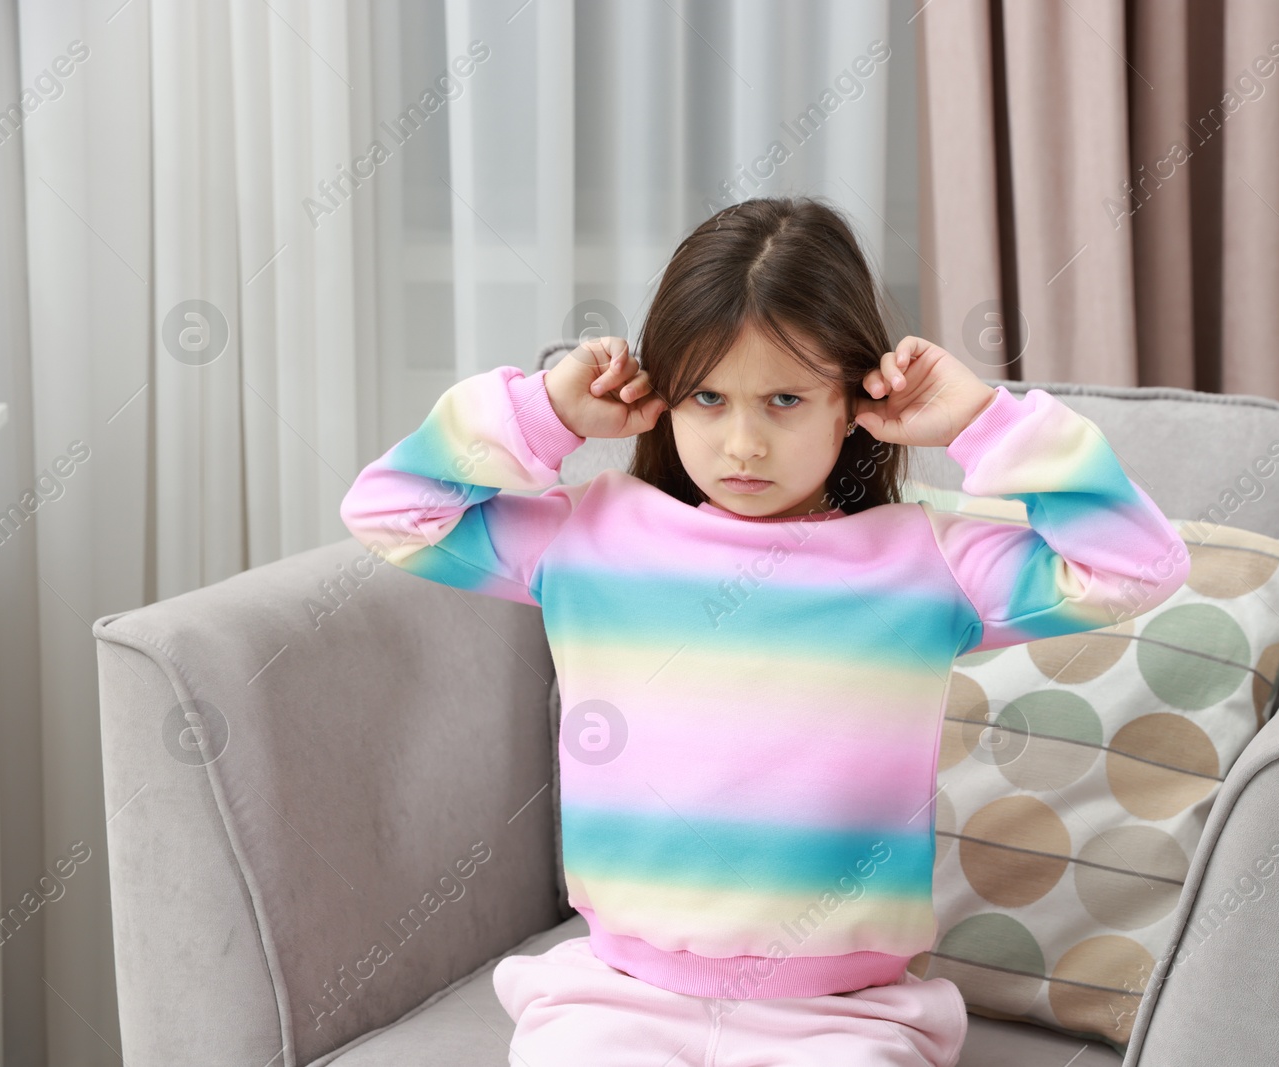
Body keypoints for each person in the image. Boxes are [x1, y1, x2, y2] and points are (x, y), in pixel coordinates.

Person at [338, 195, 1191, 1066]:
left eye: (784, 399)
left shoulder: (925, 560)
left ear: (851, 401)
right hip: (619, 1001)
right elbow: (388, 512)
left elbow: (1137, 566)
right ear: (664, 396)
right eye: (708, 397)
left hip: (841, 1018)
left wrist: (983, 424)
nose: (742, 443)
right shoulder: (589, 537)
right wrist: (541, 416)